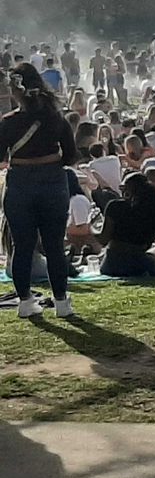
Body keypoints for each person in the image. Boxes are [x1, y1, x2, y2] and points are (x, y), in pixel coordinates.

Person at [0, 66, 77, 318]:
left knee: (22, 246)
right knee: (54, 245)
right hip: (53, 182)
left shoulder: (8, 123)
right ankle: (62, 302)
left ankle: (25, 301)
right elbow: (70, 156)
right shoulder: (56, 118)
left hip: (20, 184)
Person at [97, 173, 155, 277]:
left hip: (111, 266)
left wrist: (92, 229)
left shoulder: (114, 207)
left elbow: (103, 239)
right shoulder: (154, 210)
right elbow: (147, 244)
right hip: (140, 265)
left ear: (127, 190)